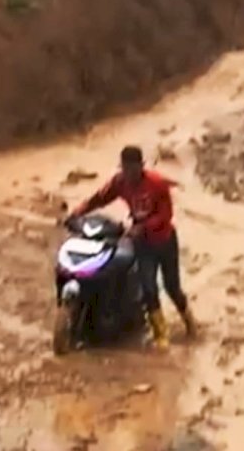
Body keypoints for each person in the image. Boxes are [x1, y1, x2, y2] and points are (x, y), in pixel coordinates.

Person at [66, 145, 197, 350]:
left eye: (132, 170)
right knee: (148, 288)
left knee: (172, 287)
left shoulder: (157, 184)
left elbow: (166, 215)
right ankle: (161, 335)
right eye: (125, 169)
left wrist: (143, 226)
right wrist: (78, 211)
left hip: (164, 240)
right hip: (143, 245)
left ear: (140, 167)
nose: (129, 174)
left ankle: (190, 323)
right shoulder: (120, 183)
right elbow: (100, 198)